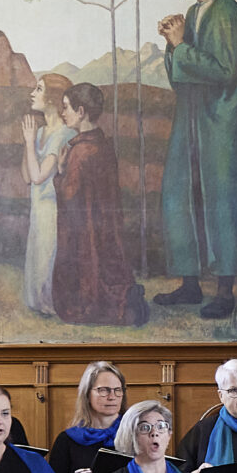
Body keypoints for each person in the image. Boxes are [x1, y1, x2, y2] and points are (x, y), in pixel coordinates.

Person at [156, 0, 237, 321]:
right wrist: (173, 49)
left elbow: (224, 71)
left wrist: (180, 45)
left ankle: (224, 290)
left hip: (221, 125)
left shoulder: (228, 12)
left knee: (222, 204)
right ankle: (189, 283)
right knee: (181, 196)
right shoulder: (193, 11)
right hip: (193, 121)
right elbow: (183, 73)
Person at [51, 82, 149, 325]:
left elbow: (69, 194)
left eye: (66, 107)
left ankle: (120, 306)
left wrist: (60, 172)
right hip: (106, 226)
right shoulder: (103, 145)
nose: (62, 113)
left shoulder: (80, 152)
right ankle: (126, 301)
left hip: (86, 231)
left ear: (81, 111)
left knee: (89, 276)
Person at [18, 73, 75, 316]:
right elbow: (27, 177)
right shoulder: (41, 132)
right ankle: (41, 302)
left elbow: (40, 176)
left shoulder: (63, 134)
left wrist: (30, 144)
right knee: (39, 254)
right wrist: (28, 143)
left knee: (49, 256)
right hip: (38, 205)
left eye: (38, 89)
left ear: (52, 99)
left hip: (54, 207)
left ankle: (52, 303)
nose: (32, 93)